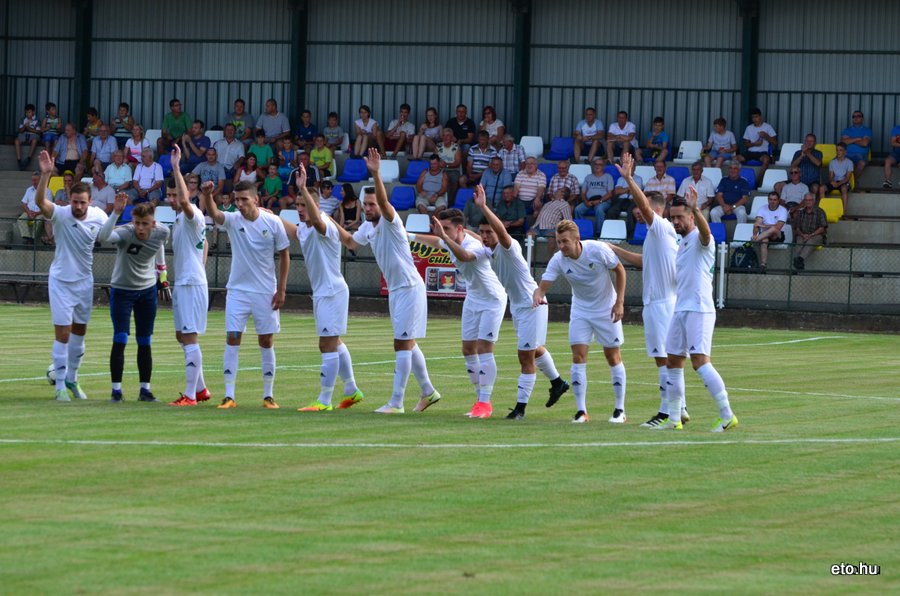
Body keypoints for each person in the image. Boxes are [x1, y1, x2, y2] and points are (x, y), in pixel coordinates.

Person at [335, 149, 440, 414]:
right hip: (397, 290)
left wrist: (376, 173)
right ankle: (428, 391)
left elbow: (383, 200)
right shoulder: (366, 226)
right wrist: (325, 219)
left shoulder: (391, 220)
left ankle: (396, 402)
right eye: (366, 204)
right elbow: (350, 243)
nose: (369, 208)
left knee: (402, 343)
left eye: (373, 204)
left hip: (409, 287)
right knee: (407, 343)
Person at [471, 185, 569, 419]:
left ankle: (520, 409)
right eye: (482, 232)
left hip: (532, 303)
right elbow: (475, 238)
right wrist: (455, 232)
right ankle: (558, 383)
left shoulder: (509, 247)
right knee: (534, 349)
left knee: (525, 356)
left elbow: (501, 233)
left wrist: (484, 207)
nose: (484, 236)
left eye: (488, 232)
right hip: (519, 306)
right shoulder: (489, 250)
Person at [608, 152, 684, 428]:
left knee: (663, 361)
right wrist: (616, 249)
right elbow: (644, 261)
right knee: (669, 359)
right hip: (661, 303)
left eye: (644, 209)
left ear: (657, 210)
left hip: (661, 304)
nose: (638, 213)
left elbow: (645, 208)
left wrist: (629, 179)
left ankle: (666, 412)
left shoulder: (660, 227)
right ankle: (680, 408)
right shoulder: (657, 236)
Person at [202, 177, 291, 410]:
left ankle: (268, 396)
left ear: (256, 199)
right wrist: (208, 195)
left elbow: (284, 255)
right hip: (238, 291)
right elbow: (216, 214)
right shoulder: (233, 220)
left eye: (244, 200)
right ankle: (229, 396)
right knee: (232, 337)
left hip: (265, 291)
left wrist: (281, 289)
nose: (239, 204)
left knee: (266, 340)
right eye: (237, 200)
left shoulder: (273, 222)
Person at [281, 168, 364, 412]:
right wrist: (269, 215)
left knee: (326, 345)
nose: (300, 208)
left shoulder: (324, 223)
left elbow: (317, 221)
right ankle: (352, 390)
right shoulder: (305, 227)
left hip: (331, 291)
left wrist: (303, 188)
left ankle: (324, 400)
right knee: (334, 342)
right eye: (297, 205)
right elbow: (295, 232)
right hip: (323, 292)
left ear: (316, 206)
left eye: (304, 205)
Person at [414, 208, 508, 418]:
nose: (442, 232)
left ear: (459, 229)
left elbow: (464, 257)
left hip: (493, 300)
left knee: (484, 349)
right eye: (441, 228)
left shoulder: (473, 245)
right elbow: (435, 241)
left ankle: (484, 403)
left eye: (446, 228)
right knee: (468, 350)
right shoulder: (450, 239)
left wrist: (444, 237)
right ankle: (479, 401)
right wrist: (407, 235)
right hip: (473, 298)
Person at [532, 220, 627, 424]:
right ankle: (581, 411)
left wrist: (619, 302)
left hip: (606, 308)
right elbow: (543, 286)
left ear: (577, 239)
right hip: (581, 311)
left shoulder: (598, 250)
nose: (561, 246)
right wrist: (538, 295)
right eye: (559, 242)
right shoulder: (558, 259)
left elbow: (620, 270)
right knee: (578, 356)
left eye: (565, 241)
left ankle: (620, 410)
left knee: (612, 356)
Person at [659, 188, 738, 432]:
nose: (675, 221)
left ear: (691, 217)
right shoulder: (682, 242)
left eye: (680, 217)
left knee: (700, 362)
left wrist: (696, 207)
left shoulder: (701, 239)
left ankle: (727, 415)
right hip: (680, 308)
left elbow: (706, 234)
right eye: (672, 217)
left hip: (699, 308)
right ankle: (674, 418)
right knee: (673, 361)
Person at [34, 151, 109, 401]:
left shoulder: (99, 216)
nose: (78, 206)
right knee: (63, 334)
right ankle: (59, 389)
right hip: (60, 282)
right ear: (70, 199)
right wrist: (46, 174)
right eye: (75, 202)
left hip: (84, 282)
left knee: (79, 332)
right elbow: (40, 202)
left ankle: (72, 380)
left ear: (90, 202)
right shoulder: (61, 213)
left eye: (82, 203)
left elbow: (111, 234)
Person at [98, 193, 170, 403]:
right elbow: (104, 237)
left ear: (153, 224)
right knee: (120, 338)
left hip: (147, 291)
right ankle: (116, 391)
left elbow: (159, 246)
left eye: (145, 223)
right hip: (122, 290)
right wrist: (116, 213)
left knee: (145, 340)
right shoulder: (125, 233)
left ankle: (145, 390)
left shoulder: (163, 232)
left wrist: (162, 275)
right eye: (137, 223)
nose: (140, 228)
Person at [165, 146, 212, 406]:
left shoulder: (192, 214)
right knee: (180, 335)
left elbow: (185, 202)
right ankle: (201, 389)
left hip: (191, 283)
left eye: (176, 194)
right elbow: (205, 245)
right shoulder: (179, 222)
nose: (173, 199)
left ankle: (190, 395)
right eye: (169, 195)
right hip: (186, 281)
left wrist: (175, 166)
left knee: (190, 336)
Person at [738, 108, 777, 187]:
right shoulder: (749, 128)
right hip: (750, 152)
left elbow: (775, 142)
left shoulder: (767, 127)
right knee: (735, 159)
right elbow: (746, 145)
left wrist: (766, 135)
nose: (754, 119)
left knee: (766, 160)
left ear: (760, 117)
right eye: (753, 117)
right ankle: (738, 180)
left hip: (762, 152)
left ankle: (758, 182)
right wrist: (754, 144)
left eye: (756, 117)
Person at [575, 157, 614, 234]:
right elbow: (583, 193)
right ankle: (582, 230)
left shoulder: (608, 177)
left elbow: (610, 194)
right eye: (596, 164)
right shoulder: (588, 177)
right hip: (589, 201)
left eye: (600, 164)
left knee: (599, 209)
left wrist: (599, 201)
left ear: (603, 166)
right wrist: (586, 202)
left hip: (603, 201)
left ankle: (598, 233)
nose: (597, 166)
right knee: (577, 209)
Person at [528, 187, 572, 257]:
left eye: (559, 190)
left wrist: (563, 231)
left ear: (563, 193)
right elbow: (537, 215)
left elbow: (568, 220)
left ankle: (549, 260)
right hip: (537, 226)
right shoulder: (547, 203)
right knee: (529, 235)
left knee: (552, 236)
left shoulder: (564, 204)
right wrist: (537, 211)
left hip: (551, 228)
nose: (556, 190)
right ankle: (530, 260)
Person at [752, 192, 788, 270]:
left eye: (775, 200)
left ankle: (754, 241)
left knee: (774, 229)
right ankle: (763, 265)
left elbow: (778, 227)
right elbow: (757, 224)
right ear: (768, 200)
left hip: (778, 235)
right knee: (764, 240)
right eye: (770, 199)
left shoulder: (783, 210)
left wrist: (763, 226)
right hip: (764, 235)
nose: (772, 201)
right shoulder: (762, 209)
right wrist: (754, 234)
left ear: (778, 200)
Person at [791, 193, 827, 270]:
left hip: (816, 235)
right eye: (806, 200)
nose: (808, 202)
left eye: (810, 200)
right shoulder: (800, 212)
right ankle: (797, 265)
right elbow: (796, 228)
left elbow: (822, 228)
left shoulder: (820, 211)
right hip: (802, 235)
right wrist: (803, 235)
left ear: (814, 201)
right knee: (799, 243)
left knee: (810, 241)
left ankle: (799, 260)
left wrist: (811, 235)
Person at [18, 172, 53, 245]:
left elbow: (48, 207)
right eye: (32, 180)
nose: (33, 182)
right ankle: (27, 237)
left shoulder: (48, 191)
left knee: (38, 220)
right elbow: (24, 203)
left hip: (41, 213)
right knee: (21, 219)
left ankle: (33, 238)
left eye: (35, 180)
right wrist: (28, 212)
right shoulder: (29, 190)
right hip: (29, 212)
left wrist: (37, 213)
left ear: (40, 180)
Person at [819, 142, 854, 212]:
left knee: (844, 188)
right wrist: (832, 182)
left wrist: (838, 183)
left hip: (844, 182)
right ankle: (823, 210)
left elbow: (847, 178)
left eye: (840, 150)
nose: (838, 152)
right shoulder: (832, 162)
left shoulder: (849, 162)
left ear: (845, 152)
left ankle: (844, 210)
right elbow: (830, 177)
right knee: (821, 188)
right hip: (834, 182)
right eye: (837, 150)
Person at [840, 111, 872, 177]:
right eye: (854, 116)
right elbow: (843, 142)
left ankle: (852, 181)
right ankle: (844, 181)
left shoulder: (867, 130)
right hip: (847, 154)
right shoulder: (847, 130)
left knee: (862, 163)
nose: (856, 118)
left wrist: (850, 140)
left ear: (862, 118)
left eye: (858, 116)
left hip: (861, 155)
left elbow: (865, 143)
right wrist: (857, 138)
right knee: (838, 162)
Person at [436, 127, 463, 193]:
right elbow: (434, 159)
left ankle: (451, 198)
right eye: (443, 135)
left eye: (448, 135)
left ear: (452, 137)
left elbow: (457, 162)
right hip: (440, 170)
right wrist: (438, 164)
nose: (445, 137)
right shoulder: (438, 146)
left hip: (453, 170)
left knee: (453, 179)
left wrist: (446, 165)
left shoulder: (456, 147)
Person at [15, 103, 40, 171]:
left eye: (29, 112)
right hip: (24, 134)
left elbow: (38, 131)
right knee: (16, 141)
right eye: (26, 112)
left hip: (33, 135)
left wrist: (29, 128)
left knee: (35, 140)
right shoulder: (23, 119)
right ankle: (19, 160)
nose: (27, 114)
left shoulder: (37, 120)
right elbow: (20, 130)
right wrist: (24, 126)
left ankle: (28, 159)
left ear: (33, 112)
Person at [883, 123, 900, 189]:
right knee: (887, 161)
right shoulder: (896, 129)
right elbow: (893, 143)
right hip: (897, 153)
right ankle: (888, 182)